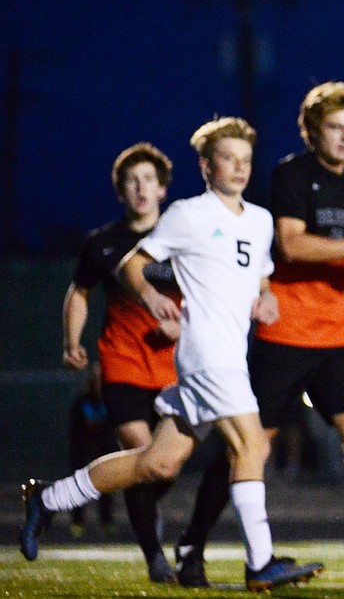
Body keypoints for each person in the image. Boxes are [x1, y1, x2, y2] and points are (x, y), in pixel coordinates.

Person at [21, 117, 325, 593]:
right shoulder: (188, 213)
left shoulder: (262, 220)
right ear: (206, 166)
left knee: (156, 463)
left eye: (246, 160)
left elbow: (258, 275)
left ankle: (48, 498)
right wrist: (149, 296)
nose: (240, 168)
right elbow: (132, 262)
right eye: (229, 158)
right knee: (252, 444)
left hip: (228, 355)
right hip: (206, 355)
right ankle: (260, 562)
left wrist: (264, 299)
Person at [172, 82, 344, 589]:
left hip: (339, 335)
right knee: (249, 447)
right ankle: (191, 544)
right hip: (285, 334)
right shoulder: (292, 175)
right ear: (313, 130)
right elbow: (291, 245)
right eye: (335, 127)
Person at [61, 141, 181, 582]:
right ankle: (156, 558)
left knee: (160, 467)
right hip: (123, 364)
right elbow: (80, 292)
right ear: (120, 191)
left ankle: (144, 508)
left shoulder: (181, 236)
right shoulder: (102, 243)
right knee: (140, 451)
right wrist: (73, 340)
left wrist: (185, 327)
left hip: (176, 370)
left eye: (149, 179)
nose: (140, 188)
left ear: (163, 189)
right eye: (132, 181)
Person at [66, 363, 118, 540]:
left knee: (106, 488)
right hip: (83, 451)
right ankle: (78, 522)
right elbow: (76, 431)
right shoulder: (81, 403)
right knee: (80, 487)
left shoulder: (112, 401)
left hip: (104, 452)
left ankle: (107, 522)